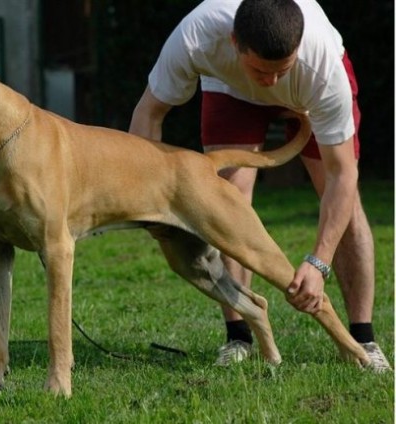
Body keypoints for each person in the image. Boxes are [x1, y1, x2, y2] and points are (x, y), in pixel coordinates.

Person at [129, 0, 391, 371]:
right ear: (235, 42)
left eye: (280, 71)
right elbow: (149, 112)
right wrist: (144, 192)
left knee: (347, 212)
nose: (271, 82)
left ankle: (364, 338)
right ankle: (239, 337)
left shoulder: (321, 66)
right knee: (225, 207)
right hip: (230, 90)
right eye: (261, 70)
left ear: (298, 49)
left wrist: (318, 263)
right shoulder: (195, 37)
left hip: (309, 90)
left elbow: (341, 175)